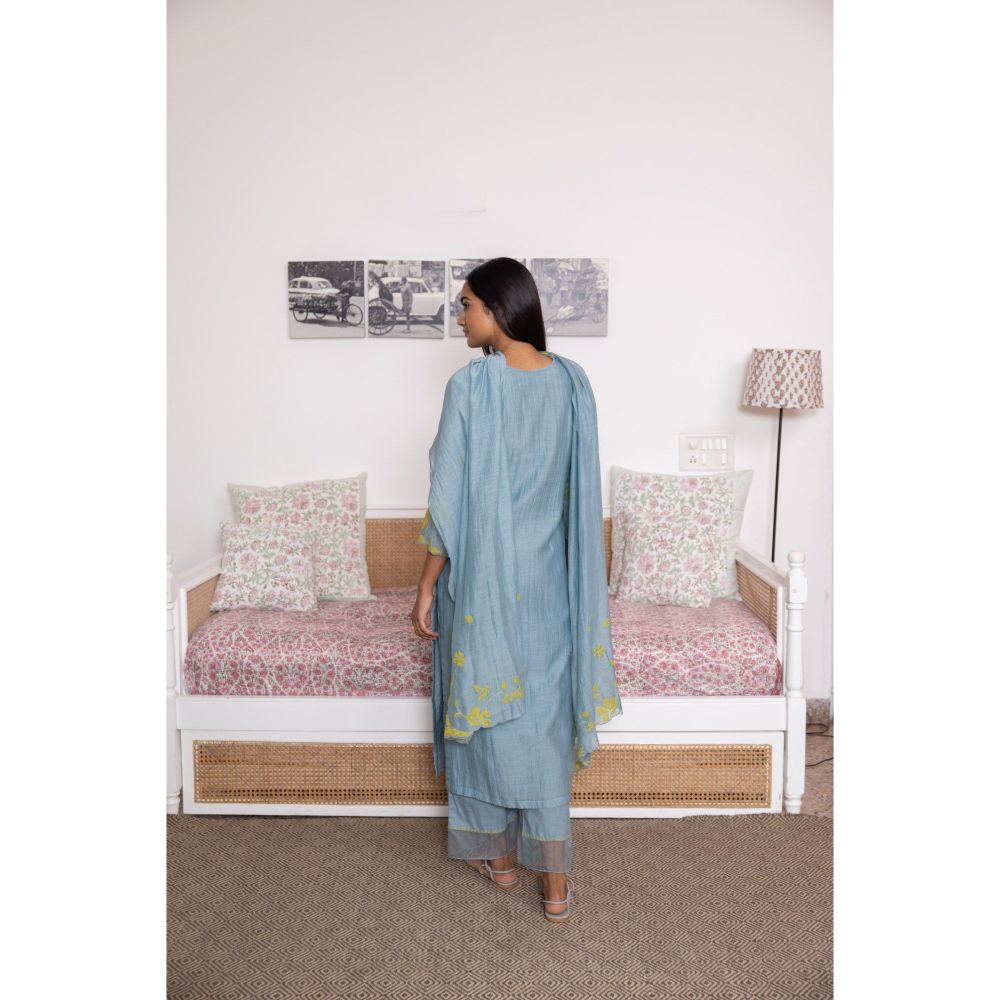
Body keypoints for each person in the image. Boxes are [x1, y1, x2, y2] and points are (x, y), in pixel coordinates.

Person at [410, 256, 622, 923]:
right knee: (542, 728)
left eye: (466, 304)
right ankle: (554, 883)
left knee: (486, 723)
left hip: (481, 585)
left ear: (499, 309)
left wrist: (424, 589)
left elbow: (447, 506)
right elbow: (578, 495)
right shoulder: (573, 381)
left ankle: (500, 861)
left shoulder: (472, 386)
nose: (459, 317)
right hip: (550, 590)